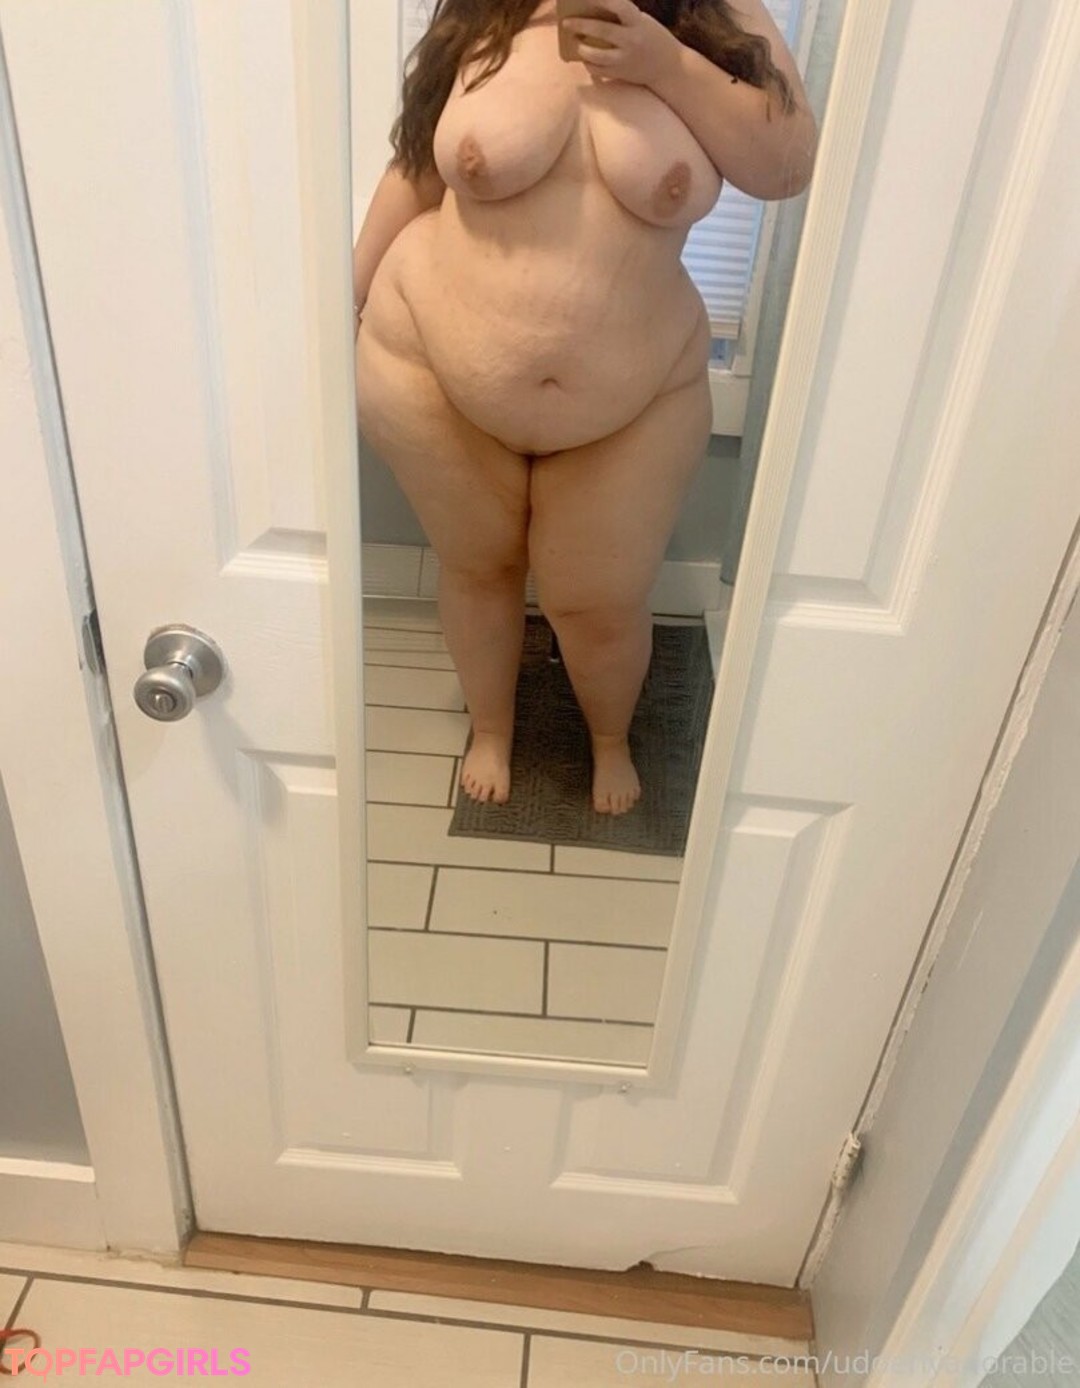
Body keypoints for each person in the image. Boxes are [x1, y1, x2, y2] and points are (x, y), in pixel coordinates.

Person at [354, 0, 816, 815]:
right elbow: (417, 167)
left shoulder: (713, 14)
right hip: (428, 359)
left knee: (598, 604)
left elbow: (786, 165)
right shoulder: (484, 11)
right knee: (477, 566)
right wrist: (345, 298)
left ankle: (610, 738)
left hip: (638, 395)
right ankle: (491, 728)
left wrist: (666, 65)